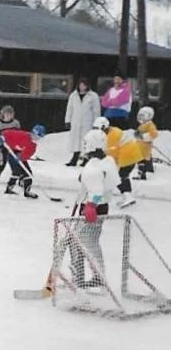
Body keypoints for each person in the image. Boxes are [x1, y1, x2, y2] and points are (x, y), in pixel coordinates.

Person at [69, 129, 118, 288]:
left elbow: (96, 190)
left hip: (91, 209)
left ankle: (79, 279)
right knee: (91, 242)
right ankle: (97, 275)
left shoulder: (94, 167)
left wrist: (91, 206)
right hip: (102, 208)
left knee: (76, 242)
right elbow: (109, 182)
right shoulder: (108, 161)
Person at [93, 116, 143, 208]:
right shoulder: (113, 131)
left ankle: (128, 196)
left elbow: (111, 154)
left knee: (119, 177)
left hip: (127, 155)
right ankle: (128, 196)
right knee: (123, 176)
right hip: (132, 154)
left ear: (104, 127)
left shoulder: (111, 136)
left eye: (98, 129)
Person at [0, 124, 46, 199]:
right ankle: (9, 189)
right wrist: (2, 138)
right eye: (36, 136)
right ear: (33, 132)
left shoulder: (33, 145)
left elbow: (27, 154)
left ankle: (27, 192)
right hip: (12, 153)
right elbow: (8, 133)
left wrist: (21, 157)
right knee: (16, 172)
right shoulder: (23, 135)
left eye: (39, 137)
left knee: (28, 174)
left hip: (20, 157)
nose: (37, 138)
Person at [64, 77, 101, 167]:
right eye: (80, 85)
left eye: (84, 85)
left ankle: (86, 159)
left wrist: (97, 123)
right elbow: (70, 108)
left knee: (87, 141)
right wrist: (67, 120)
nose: (82, 87)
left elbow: (96, 110)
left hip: (87, 122)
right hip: (76, 121)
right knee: (75, 141)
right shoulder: (74, 95)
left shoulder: (93, 96)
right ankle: (75, 157)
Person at [0, 105, 21, 186]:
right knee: (2, 163)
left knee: (17, 163)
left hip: (13, 146)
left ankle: (20, 179)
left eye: (10, 114)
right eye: (6, 114)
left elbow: (19, 134)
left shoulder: (15, 123)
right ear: (3, 114)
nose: (8, 116)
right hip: (3, 147)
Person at [134, 106, 158, 181]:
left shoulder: (150, 125)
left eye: (142, 116)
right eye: (139, 116)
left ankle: (145, 173)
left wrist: (143, 136)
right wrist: (136, 134)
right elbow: (138, 134)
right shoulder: (142, 125)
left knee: (144, 160)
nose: (140, 118)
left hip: (145, 147)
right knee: (141, 160)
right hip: (140, 147)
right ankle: (142, 173)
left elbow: (154, 134)